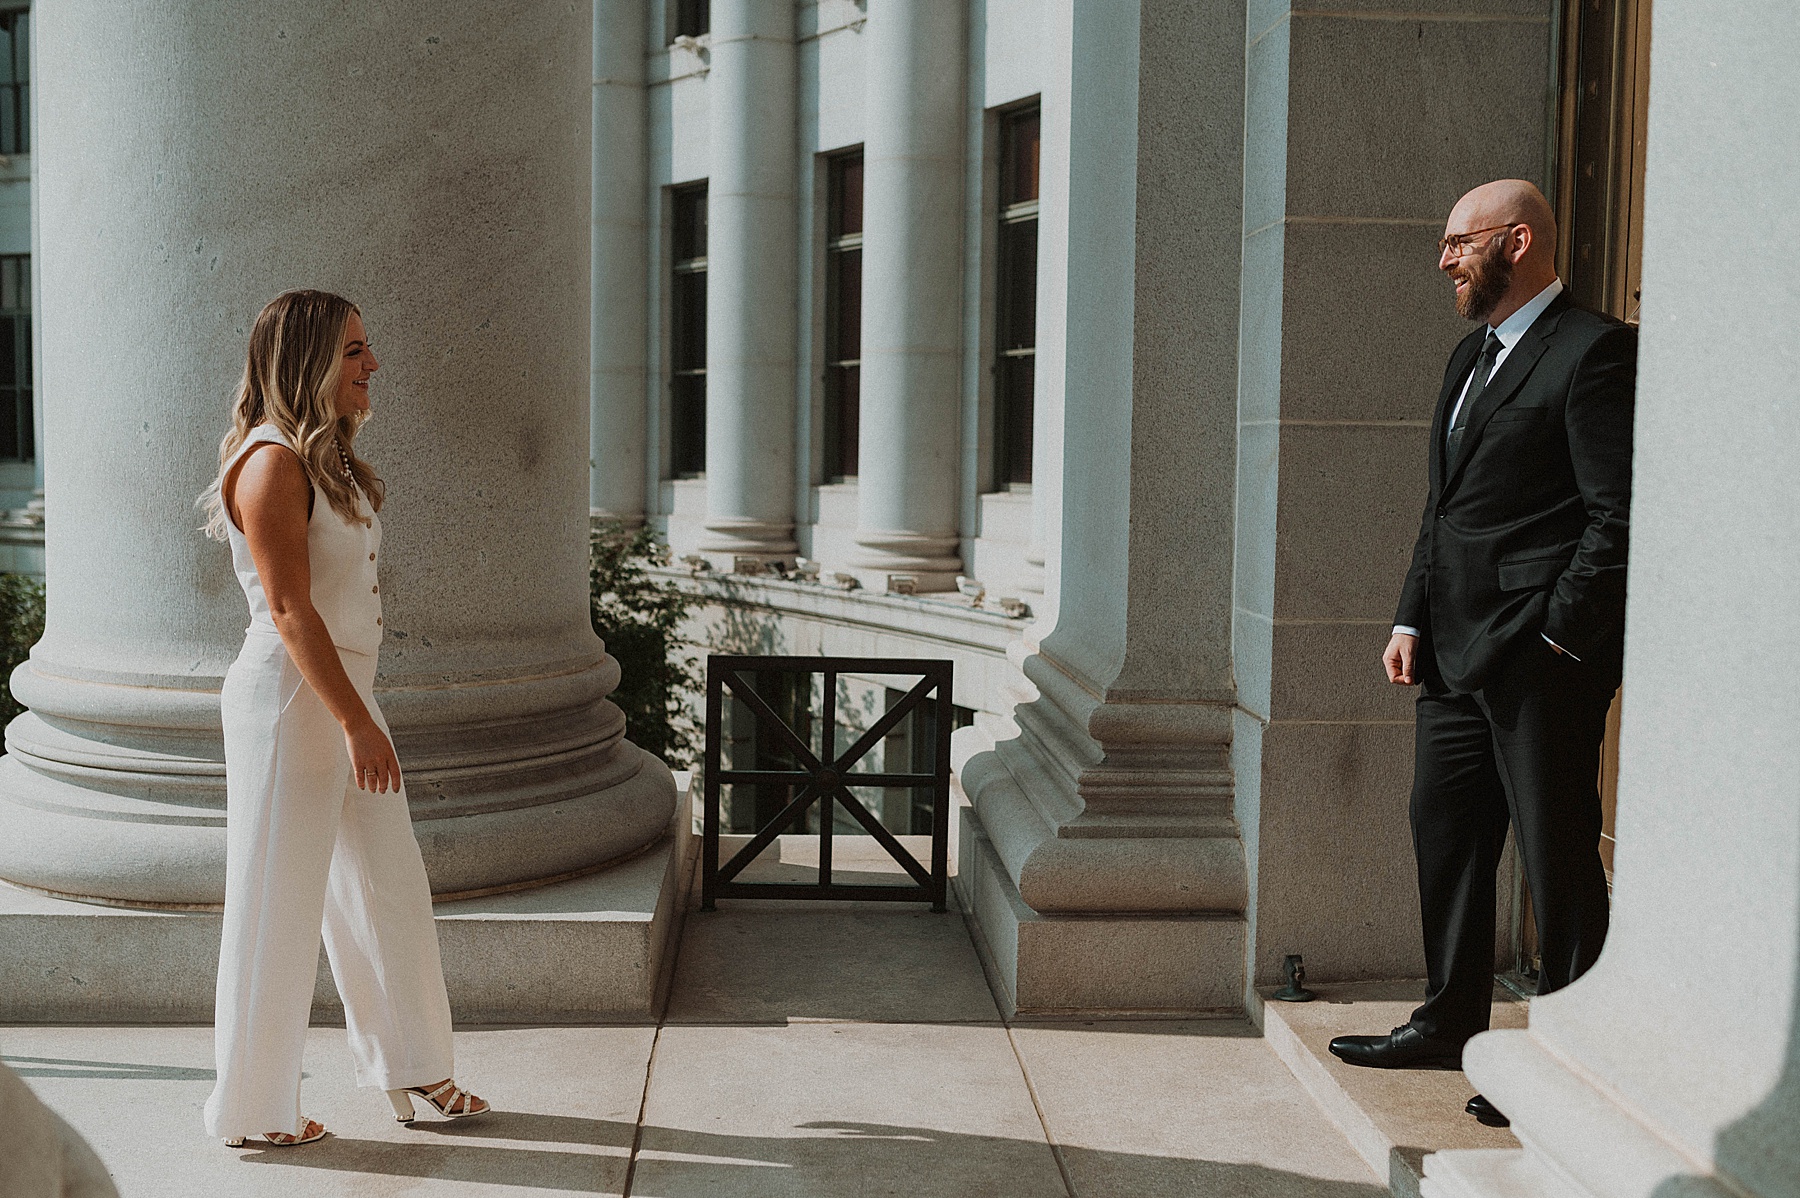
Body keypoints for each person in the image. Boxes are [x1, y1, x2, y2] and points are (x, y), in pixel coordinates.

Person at [1327, 181, 1636, 1129]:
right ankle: (1451, 1016)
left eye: (1459, 241)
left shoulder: (1596, 351)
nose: (1444, 257)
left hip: (1539, 661)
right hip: (1452, 654)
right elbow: (1446, 509)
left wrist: (1555, 635)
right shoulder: (1470, 357)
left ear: (1518, 239)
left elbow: (1616, 515)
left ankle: (1573, 1059)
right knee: (1448, 835)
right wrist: (1409, 616)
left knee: (1556, 857)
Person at [197, 289, 490, 1147]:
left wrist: (361, 718)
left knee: (387, 881)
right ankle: (251, 1110)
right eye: (356, 350)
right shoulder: (270, 462)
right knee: (275, 907)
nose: (373, 365)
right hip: (294, 704)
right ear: (312, 359)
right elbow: (290, 611)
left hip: (347, 701)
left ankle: (416, 1066)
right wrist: (357, 723)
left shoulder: (322, 460)